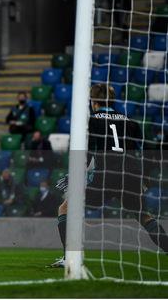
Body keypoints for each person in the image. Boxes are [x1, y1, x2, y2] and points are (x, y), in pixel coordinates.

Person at [49, 83, 168, 268]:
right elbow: (145, 152)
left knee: (66, 208)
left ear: (94, 102)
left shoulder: (91, 121)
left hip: (105, 176)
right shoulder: (130, 121)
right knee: (145, 217)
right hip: (130, 175)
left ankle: (70, 259)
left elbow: (85, 154)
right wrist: (144, 178)